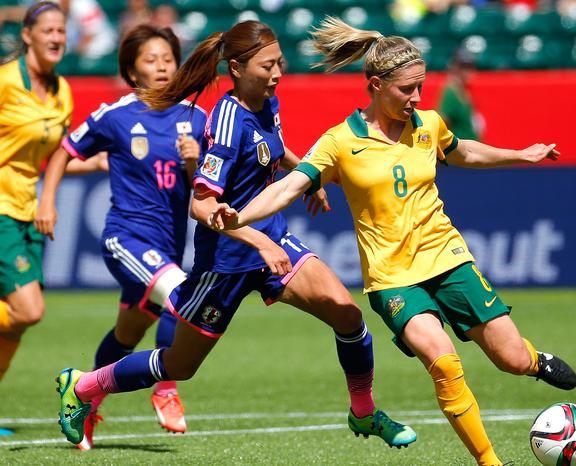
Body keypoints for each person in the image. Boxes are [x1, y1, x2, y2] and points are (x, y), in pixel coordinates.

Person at [211, 17, 576, 466]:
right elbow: (287, 187)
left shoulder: (428, 124)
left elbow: (462, 151)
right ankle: (489, 462)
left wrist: (520, 154)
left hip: (448, 260)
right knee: (443, 363)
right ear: (376, 85)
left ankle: (535, 361)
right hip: (393, 280)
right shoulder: (340, 142)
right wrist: (237, 216)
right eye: (407, 90)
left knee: (512, 360)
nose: (417, 98)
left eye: (420, 87)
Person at [54, 20, 416, 450]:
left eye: (279, 62)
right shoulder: (225, 121)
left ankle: (364, 413)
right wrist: (259, 241)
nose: (277, 73)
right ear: (238, 68)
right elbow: (202, 206)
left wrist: (309, 176)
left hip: (272, 242)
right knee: (178, 365)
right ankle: (84, 387)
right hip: (224, 263)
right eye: (267, 66)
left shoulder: (268, 101)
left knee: (347, 315)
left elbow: (273, 150)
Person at [40, 24, 206, 449]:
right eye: (151, 60)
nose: (162, 66)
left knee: (126, 337)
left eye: (168, 59)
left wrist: (194, 162)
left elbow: (202, 190)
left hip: (167, 247)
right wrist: (48, 202)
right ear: (132, 72)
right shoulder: (115, 116)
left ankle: (83, 405)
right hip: (126, 238)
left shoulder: (196, 118)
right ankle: (166, 387)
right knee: (185, 297)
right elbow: (64, 150)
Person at [0, 1, 71, 383]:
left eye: (61, 31)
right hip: (1, 209)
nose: (57, 38)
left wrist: (47, 199)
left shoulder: (63, 91)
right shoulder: (5, 82)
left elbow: (60, 151)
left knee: (15, 325)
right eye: (48, 30)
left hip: (28, 211)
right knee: (28, 311)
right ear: (27, 35)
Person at [438, 48, 485, 141]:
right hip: (459, 150)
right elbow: (442, 123)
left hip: (471, 149)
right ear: (454, 67)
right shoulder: (450, 93)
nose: (467, 71)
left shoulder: (464, 90)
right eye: (463, 67)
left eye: (470, 66)